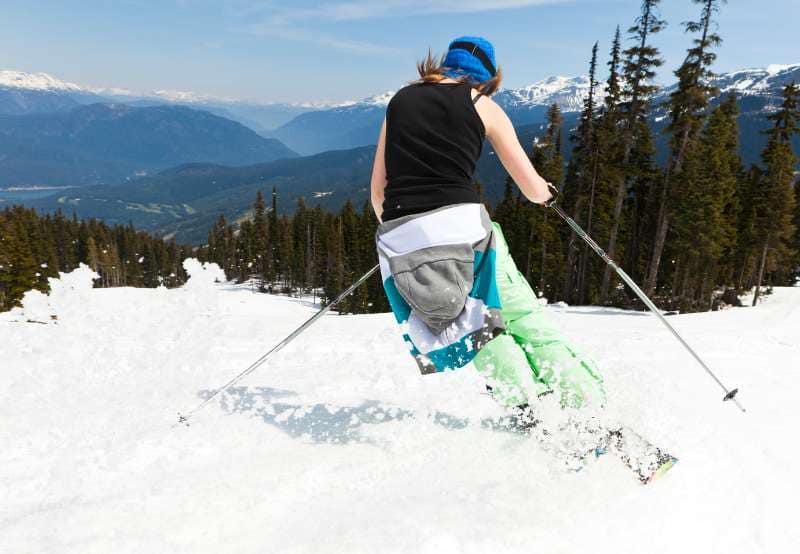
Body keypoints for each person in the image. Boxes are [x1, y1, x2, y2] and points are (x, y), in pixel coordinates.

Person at [370, 36, 675, 483]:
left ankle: (534, 417)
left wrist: (414, 235)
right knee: (525, 321)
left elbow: (379, 193)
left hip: (402, 243)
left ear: (442, 65)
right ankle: (598, 422)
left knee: (475, 331)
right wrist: (547, 193)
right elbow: (531, 188)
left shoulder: (399, 102)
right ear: (487, 78)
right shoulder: (482, 105)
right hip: (467, 235)